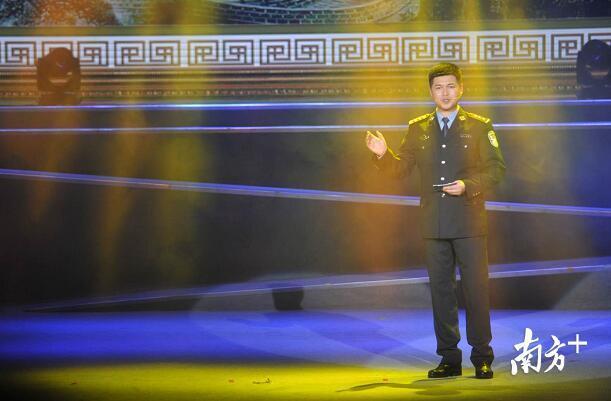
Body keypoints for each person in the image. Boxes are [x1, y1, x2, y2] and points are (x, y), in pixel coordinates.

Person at [365, 62, 505, 379]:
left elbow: (496, 169)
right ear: (431, 92)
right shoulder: (419, 128)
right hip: (434, 222)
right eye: (439, 87)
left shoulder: (480, 126)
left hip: (468, 222)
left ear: (461, 89)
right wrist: (383, 154)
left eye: (451, 86)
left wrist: (468, 185)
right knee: (441, 293)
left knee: (476, 291)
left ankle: (482, 357)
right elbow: (400, 170)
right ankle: (449, 358)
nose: (445, 93)